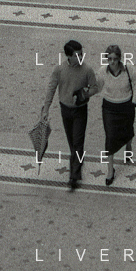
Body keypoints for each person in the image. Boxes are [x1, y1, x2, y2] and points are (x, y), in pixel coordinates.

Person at [41, 38, 98, 189]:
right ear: (69, 56)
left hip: (80, 110)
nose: (80, 57)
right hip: (65, 109)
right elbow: (51, 89)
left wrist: (85, 94)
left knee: (78, 142)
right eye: (77, 55)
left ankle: (74, 176)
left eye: (81, 54)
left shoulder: (87, 70)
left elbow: (95, 87)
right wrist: (46, 109)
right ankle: (78, 163)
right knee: (72, 142)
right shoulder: (59, 70)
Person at [91, 43, 136, 186]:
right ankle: (110, 170)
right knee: (110, 137)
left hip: (126, 105)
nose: (112, 62)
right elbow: (97, 86)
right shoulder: (102, 71)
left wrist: (133, 101)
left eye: (114, 59)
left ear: (119, 58)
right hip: (109, 107)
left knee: (128, 131)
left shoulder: (128, 68)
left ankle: (128, 148)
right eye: (109, 59)